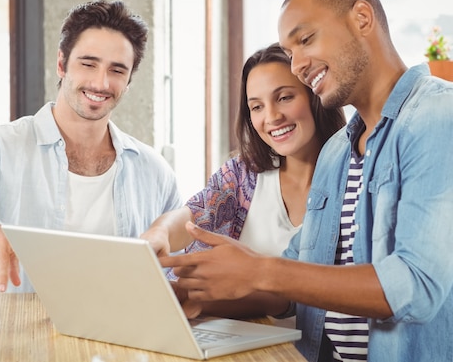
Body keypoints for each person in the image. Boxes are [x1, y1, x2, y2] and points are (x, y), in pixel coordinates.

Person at [159, 0, 453, 362]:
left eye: (306, 39)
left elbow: (416, 285)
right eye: (291, 53)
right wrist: (192, 294)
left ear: (362, 18)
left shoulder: (441, 117)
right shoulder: (337, 152)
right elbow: (294, 281)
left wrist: (261, 270)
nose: (299, 64)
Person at [0, 0, 183, 296]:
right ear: (62, 64)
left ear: (129, 81)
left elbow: (179, 262)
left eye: (117, 71)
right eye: (88, 64)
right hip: (20, 336)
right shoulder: (0, 146)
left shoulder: (153, 170)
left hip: (120, 339)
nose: (101, 82)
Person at [142, 42, 345, 278]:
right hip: (235, 317)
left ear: (314, 95)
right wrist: (160, 231)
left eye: (284, 97)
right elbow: (194, 216)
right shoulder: (242, 175)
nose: (272, 117)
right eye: (257, 107)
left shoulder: (354, 175)